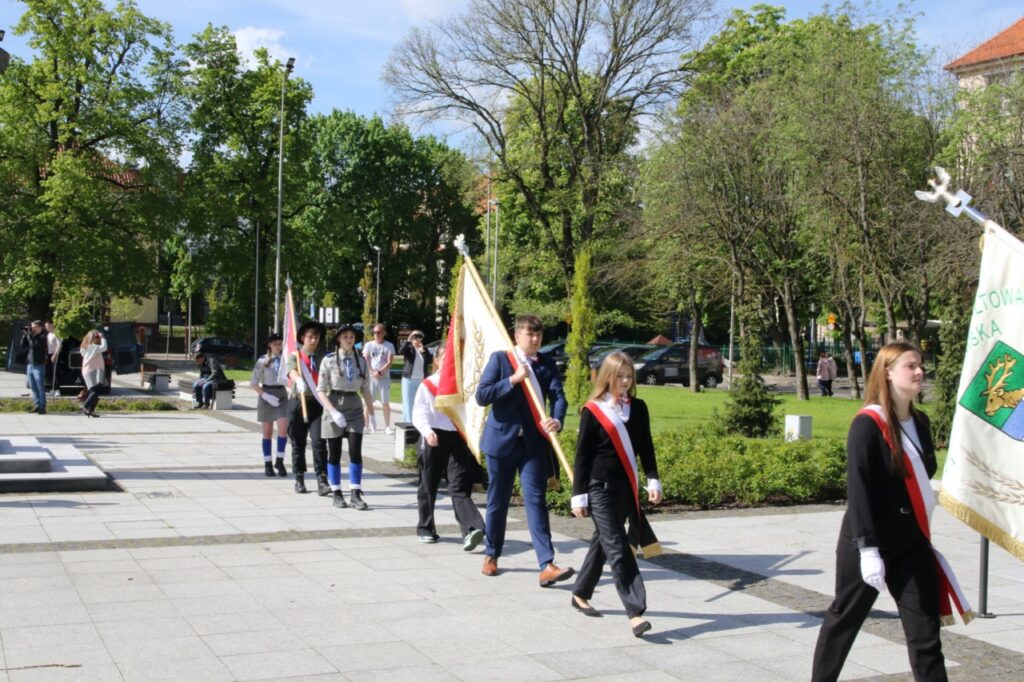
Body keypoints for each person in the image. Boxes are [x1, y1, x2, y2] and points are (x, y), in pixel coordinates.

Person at [811, 342, 967, 682]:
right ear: (888, 372)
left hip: (911, 541)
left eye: (921, 365)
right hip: (868, 538)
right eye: (911, 366)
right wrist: (868, 549)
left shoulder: (921, 422)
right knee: (845, 619)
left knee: (926, 632)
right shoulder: (867, 425)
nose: (919, 372)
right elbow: (859, 490)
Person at [570, 351, 662, 637]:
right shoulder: (593, 410)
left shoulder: (640, 407)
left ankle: (580, 592)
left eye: (628, 376)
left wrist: (653, 480)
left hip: (626, 488)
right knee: (617, 546)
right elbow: (582, 456)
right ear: (607, 377)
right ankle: (635, 611)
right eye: (619, 376)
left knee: (602, 543)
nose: (624, 381)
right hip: (599, 488)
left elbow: (646, 447)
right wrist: (578, 496)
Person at [475, 314, 572, 586]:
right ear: (517, 336)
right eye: (530, 334)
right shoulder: (501, 359)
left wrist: (557, 419)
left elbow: (559, 397)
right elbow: (482, 395)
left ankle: (547, 564)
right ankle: (491, 554)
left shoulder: (547, 364)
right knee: (498, 501)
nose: (535, 339)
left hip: (533, 444)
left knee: (536, 502)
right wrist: (513, 380)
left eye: (539, 334)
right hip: (501, 442)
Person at [412, 344, 485, 548]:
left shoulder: (463, 385)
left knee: (459, 485)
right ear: (436, 361)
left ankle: (472, 529)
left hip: (457, 438)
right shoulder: (428, 384)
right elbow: (419, 413)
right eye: (445, 358)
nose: (449, 362)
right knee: (428, 484)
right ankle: (425, 528)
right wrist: (427, 431)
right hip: (433, 436)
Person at [316, 324, 375, 511]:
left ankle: (356, 493)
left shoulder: (362, 361)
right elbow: (320, 390)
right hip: (334, 404)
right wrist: (332, 411)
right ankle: (337, 492)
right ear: (338, 339)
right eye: (345, 336)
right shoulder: (329, 360)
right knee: (334, 453)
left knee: (355, 451)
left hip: (354, 407)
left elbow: (365, 388)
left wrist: (372, 413)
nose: (349, 339)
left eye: (352, 336)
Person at [286, 321, 327, 494]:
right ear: (303, 338)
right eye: (310, 337)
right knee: (298, 442)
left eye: (316, 337)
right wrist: (298, 379)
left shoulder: (321, 358)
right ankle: (299, 478)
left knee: (319, 442)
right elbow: (291, 370)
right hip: (298, 401)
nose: (313, 340)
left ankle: (322, 479)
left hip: (317, 403)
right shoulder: (296, 355)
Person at [251, 333, 289, 478]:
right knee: (267, 432)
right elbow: (253, 383)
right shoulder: (263, 360)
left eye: (280, 343)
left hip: (282, 395)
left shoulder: (287, 360)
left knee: (283, 429)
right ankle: (268, 463)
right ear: (269, 345)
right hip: (266, 394)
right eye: (275, 344)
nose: (277, 346)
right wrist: (265, 395)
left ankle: (279, 460)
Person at [362, 323, 395, 435]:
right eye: (375, 332)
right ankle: (366, 426)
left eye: (379, 332)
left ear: (384, 333)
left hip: (384, 377)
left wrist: (380, 371)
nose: (376, 334)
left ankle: (387, 426)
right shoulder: (369, 345)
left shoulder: (389, 345)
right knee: (368, 402)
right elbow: (366, 359)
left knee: (385, 402)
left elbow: (389, 361)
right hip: (371, 377)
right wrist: (372, 371)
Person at [398, 330, 431, 423]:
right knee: (408, 403)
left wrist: (423, 352)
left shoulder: (424, 349)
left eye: (419, 337)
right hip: (409, 379)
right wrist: (408, 340)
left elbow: (429, 360)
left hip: (420, 380)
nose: (417, 339)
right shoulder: (409, 349)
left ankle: (417, 422)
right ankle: (408, 423)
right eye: (415, 337)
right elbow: (401, 351)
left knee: (419, 402)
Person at [20, 321, 48, 414]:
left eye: (35, 327)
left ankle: (42, 407)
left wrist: (29, 335)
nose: (33, 329)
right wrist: (25, 335)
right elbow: (23, 345)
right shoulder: (32, 336)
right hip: (30, 364)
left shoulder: (43, 337)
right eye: (32, 327)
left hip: (38, 364)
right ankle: (37, 405)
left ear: (40, 327)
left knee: (40, 386)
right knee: (32, 386)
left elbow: (34, 345)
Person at [79, 330, 107, 417]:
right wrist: (103, 337)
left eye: (98, 337)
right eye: (96, 337)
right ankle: (85, 406)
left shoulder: (86, 347)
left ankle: (91, 410)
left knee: (94, 391)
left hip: (92, 370)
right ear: (91, 338)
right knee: (95, 390)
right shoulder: (93, 347)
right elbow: (104, 347)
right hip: (92, 370)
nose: (98, 339)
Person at [45, 320, 61, 396]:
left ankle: (57, 389)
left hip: (55, 354)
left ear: (52, 325)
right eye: (46, 326)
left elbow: (59, 345)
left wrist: (55, 355)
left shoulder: (56, 334)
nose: (46, 328)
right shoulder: (48, 334)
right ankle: (52, 389)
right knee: (50, 372)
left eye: (48, 326)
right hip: (48, 354)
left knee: (55, 372)